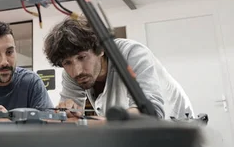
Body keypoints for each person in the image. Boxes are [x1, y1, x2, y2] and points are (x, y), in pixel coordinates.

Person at [43, 17, 194, 121]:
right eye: (67, 63)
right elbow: (70, 116)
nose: (76, 71)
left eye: (82, 57)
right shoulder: (72, 74)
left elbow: (150, 112)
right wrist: (68, 110)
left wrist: (103, 123)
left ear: (100, 49)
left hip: (174, 122)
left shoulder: (132, 53)